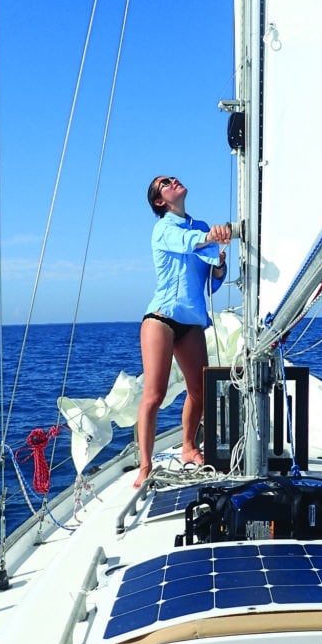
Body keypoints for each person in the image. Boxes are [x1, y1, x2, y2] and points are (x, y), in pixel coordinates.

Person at [134, 176, 231, 487]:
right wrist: (210, 237)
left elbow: (212, 278)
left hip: (191, 321)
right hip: (161, 317)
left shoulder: (200, 226)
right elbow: (189, 243)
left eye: (173, 178)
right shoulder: (163, 229)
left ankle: (189, 448)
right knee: (155, 394)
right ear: (160, 202)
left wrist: (220, 264)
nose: (173, 181)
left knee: (200, 390)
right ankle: (145, 466)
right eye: (165, 183)